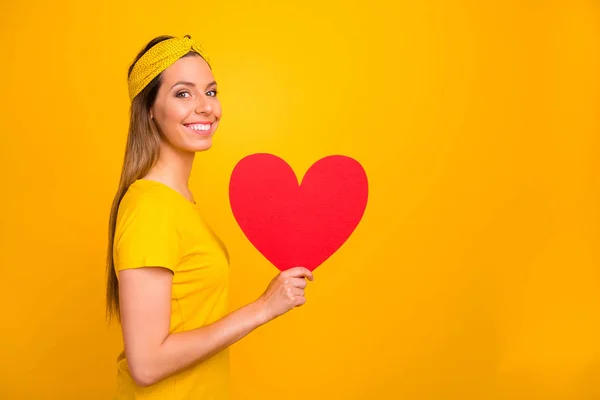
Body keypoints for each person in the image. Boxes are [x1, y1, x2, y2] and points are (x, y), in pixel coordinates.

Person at [105, 34, 314, 399]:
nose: (205, 107)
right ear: (149, 109)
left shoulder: (177, 203)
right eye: (183, 93)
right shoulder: (150, 208)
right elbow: (146, 364)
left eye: (211, 92)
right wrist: (264, 308)